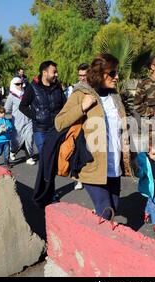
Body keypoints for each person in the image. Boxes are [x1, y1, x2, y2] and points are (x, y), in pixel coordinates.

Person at [54, 53, 133, 220]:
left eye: (117, 73)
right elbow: (59, 122)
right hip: (92, 164)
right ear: (99, 73)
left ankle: (92, 230)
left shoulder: (115, 96)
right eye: (113, 73)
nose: (117, 77)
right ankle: (102, 243)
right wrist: (82, 107)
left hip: (113, 164)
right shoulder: (81, 94)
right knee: (106, 211)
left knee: (113, 208)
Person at [19, 61, 66, 156]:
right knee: (46, 157)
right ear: (45, 73)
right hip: (41, 130)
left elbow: (65, 105)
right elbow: (22, 106)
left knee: (58, 158)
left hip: (57, 129)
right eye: (54, 72)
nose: (56, 74)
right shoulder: (32, 87)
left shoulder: (58, 87)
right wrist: (36, 116)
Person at [66, 62, 90, 190]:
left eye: (84, 75)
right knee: (77, 153)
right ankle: (78, 179)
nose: (82, 78)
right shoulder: (75, 89)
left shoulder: (96, 88)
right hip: (79, 125)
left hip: (93, 126)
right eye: (80, 75)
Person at [5, 77, 36, 166]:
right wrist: (1, 115)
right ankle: (13, 150)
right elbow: (7, 109)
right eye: (17, 84)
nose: (20, 86)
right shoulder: (11, 96)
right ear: (13, 85)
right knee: (16, 140)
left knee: (29, 138)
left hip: (28, 120)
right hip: (17, 122)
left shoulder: (27, 93)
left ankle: (29, 157)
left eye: (21, 84)